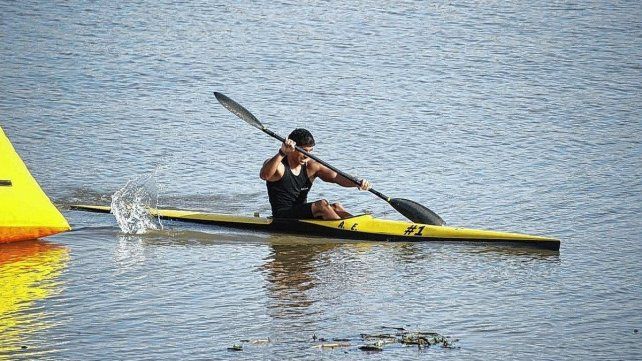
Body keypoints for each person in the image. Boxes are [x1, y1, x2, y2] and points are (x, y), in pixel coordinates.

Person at [260, 128, 371, 220]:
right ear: (292, 149)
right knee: (322, 205)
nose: (307, 155)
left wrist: (357, 183)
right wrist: (282, 152)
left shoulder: (311, 167)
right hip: (282, 216)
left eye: (310, 151)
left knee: (337, 207)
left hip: (301, 213)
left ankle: (360, 228)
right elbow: (264, 175)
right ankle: (346, 231)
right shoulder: (279, 166)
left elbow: (336, 177)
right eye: (303, 151)